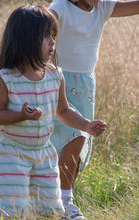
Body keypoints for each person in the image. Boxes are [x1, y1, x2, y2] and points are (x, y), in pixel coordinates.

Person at [0, 4, 106, 219]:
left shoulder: (55, 75)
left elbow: (64, 110)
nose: (52, 41)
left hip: (44, 152)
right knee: (14, 209)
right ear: (24, 39)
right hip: (13, 152)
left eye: (54, 35)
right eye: (45, 36)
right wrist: (20, 115)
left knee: (50, 209)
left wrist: (86, 125)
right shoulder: (7, 78)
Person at [48, 0, 139, 219]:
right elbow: (38, 26)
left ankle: (61, 201)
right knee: (74, 135)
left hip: (85, 84)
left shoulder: (102, 7)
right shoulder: (61, 7)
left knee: (79, 144)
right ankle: (62, 203)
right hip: (57, 79)